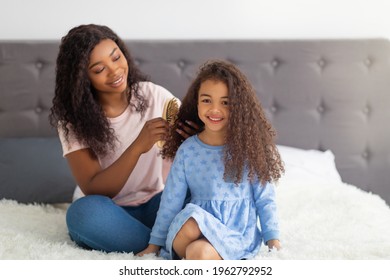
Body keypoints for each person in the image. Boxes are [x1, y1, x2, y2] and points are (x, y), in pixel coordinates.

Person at [49, 24, 196, 254]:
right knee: (82, 216)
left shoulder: (154, 96)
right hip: (108, 210)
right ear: (82, 78)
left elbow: (190, 154)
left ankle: (155, 244)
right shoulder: (73, 123)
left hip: (156, 202)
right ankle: (168, 243)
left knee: (198, 197)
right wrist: (138, 145)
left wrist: (189, 139)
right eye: (99, 70)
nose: (115, 71)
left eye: (116, 58)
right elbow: (94, 188)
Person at [138, 60, 284, 260]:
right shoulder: (187, 150)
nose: (215, 110)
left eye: (225, 102)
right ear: (196, 102)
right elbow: (171, 201)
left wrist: (273, 241)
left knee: (197, 252)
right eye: (207, 100)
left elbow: (265, 199)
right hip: (195, 226)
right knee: (189, 225)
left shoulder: (249, 149)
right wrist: (153, 246)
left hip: (235, 233)